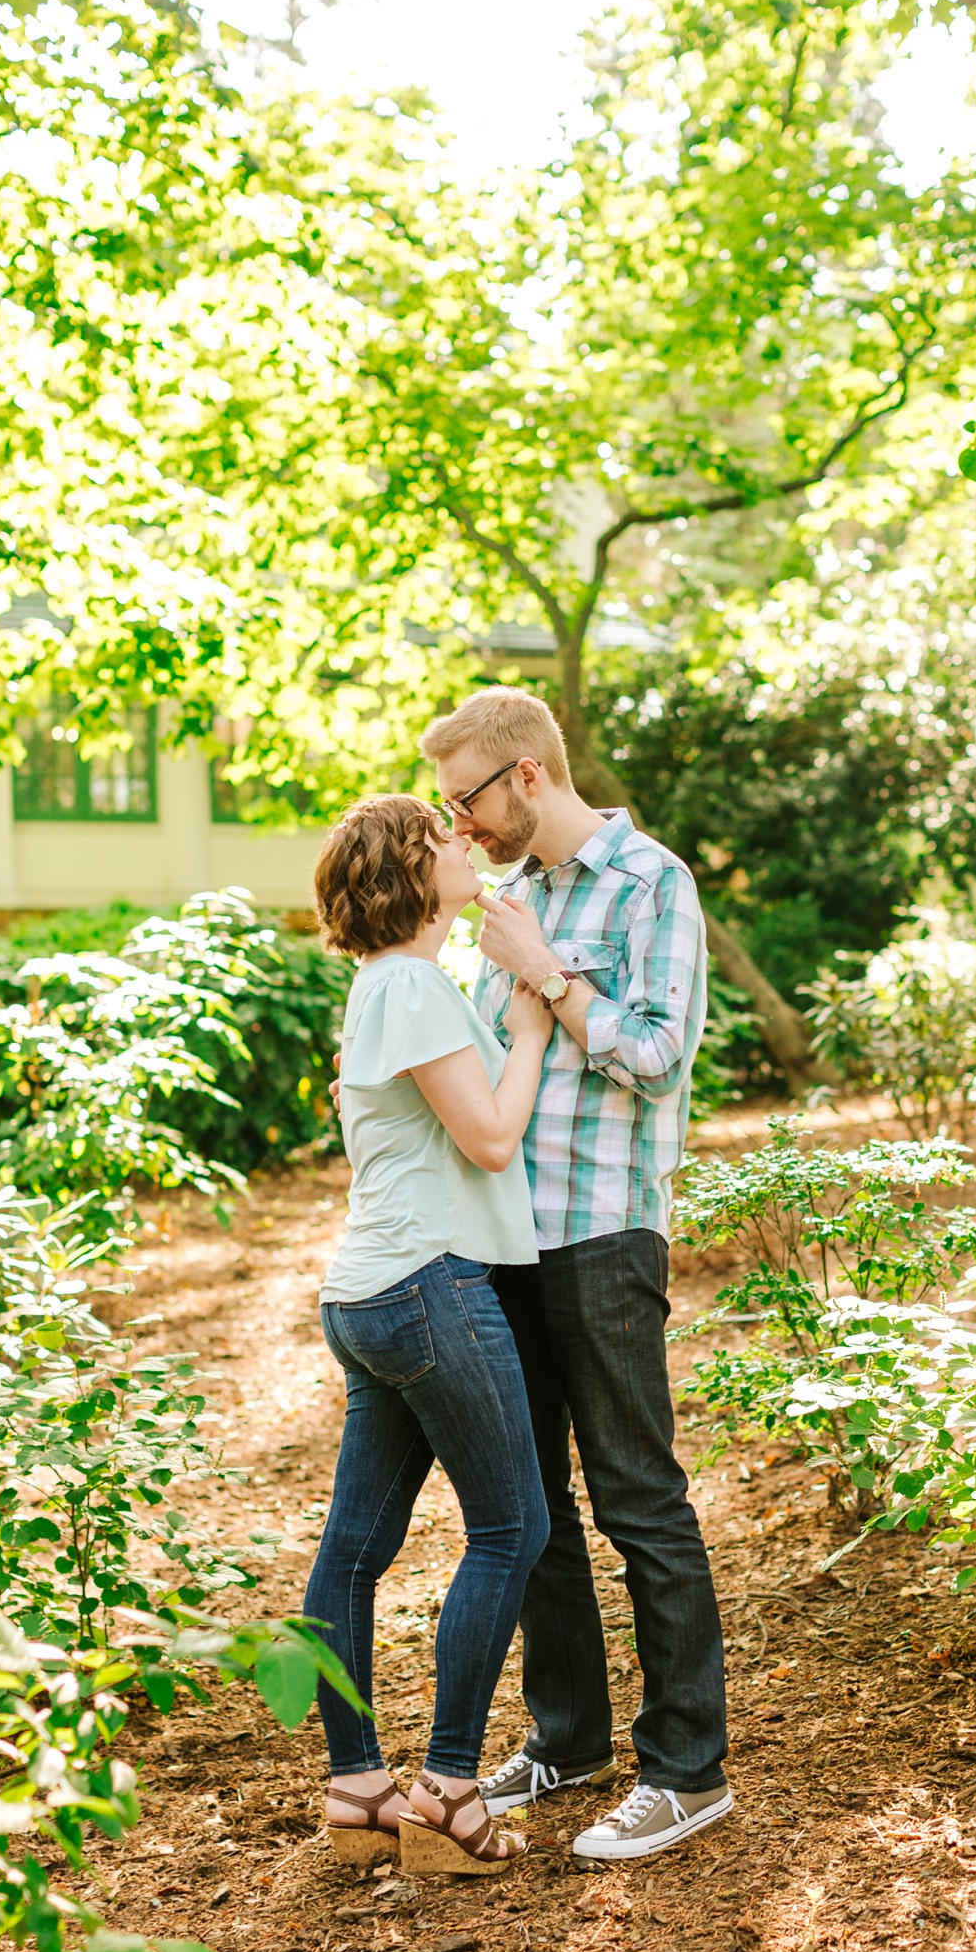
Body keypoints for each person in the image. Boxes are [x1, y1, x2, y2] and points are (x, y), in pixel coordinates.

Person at [420, 687, 731, 1864]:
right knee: (529, 1505)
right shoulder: (518, 900)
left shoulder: (653, 883)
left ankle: (687, 1768)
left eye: (470, 799)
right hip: (508, 1235)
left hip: (604, 1232)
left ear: (530, 777)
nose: (465, 824)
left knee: (638, 1496)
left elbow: (657, 1055)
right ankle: (570, 1735)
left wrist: (549, 975)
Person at [303, 792, 553, 1878]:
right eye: (441, 836)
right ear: (411, 871)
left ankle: (359, 1788)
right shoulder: (410, 986)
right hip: (425, 1287)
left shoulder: (390, 985)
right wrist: (538, 1015)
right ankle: (449, 1788)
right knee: (512, 1528)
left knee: (355, 1551)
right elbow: (493, 1137)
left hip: (374, 1293)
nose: (465, 841)